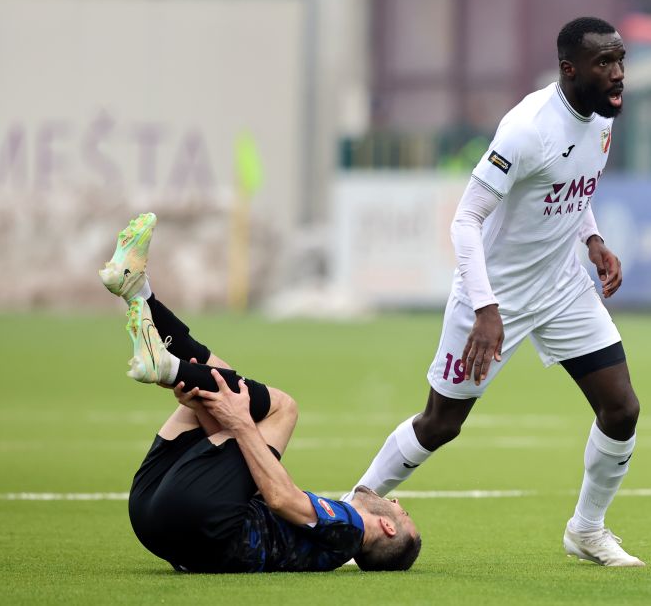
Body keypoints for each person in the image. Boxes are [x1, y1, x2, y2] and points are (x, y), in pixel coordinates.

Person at [344, 17, 644, 567]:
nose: (618, 73)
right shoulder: (527, 129)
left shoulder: (602, 115)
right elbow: (466, 220)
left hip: (561, 287)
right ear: (569, 69)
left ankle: (587, 530)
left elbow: (571, 190)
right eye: (604, 62)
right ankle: (348, 515)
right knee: (441, 424)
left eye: (620, 59)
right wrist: (485, 308)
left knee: (621, 409)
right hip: (494, 293)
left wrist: (593, 239)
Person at [99, 213, 421, 572]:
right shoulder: (324, 546)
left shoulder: (350, 529)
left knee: (282, 408)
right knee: (222, 389)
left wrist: (240, 423)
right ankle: (140, 296)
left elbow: (281, 498)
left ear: (388, 527)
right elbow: (235, 479)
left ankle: (165, 359)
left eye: (402, 512)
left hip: (201, 520)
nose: (396, 502)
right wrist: (212, 411)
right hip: (160, 524)